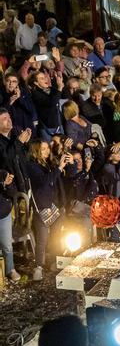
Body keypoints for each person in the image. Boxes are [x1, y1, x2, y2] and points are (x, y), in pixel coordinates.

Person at [25, 140, 74, 281]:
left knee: (56, 236)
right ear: (35, 151)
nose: (47, 151)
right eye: (43, 149)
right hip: (42, 207)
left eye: (47, 148)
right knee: (42, 239)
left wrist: (69, 161)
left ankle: (54, 262)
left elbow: (68, 174)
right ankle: (38, 267)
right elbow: (44, 182)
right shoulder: (32, 166)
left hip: (56, 205)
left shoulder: (50, 163)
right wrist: (58, 168)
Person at [0, 108, 28, 281]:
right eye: (3, 118)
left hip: (7, 197)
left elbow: (19, 162)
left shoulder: (11, 138)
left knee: (6, 241)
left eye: (9, 117)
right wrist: (18, 142)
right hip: (1, 192)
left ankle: (10, 269)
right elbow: (6, 160)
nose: (8, 120)